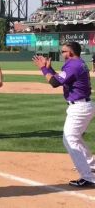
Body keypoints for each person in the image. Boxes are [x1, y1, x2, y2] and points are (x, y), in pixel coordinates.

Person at [33, 41, 95, 187]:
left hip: (79, 107)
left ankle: (88, 177)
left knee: (70, 140)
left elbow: (54, 83)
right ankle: (91, 165)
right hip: (82, 105)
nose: (62, 54)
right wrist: (50, 69)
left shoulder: (73, 64)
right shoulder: (78, 63)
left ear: (71, 52)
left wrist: (43, 68)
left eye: (63, 51)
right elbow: (62, 80)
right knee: (75, 138)